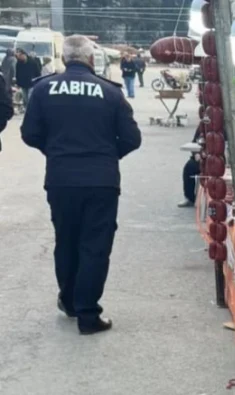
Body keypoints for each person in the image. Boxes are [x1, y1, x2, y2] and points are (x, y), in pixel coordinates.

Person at [21, 35, 142, 335]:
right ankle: (88, 314)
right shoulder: (110, 93)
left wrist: (55, 151)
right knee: (95, 245)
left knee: (67, 240)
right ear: (91, 60)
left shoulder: (42, 89)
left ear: (63, 59)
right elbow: (131, 138)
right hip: (101, 181)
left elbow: (29, 133)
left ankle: (70, 302)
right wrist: (107, 156)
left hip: (61, 179)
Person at [180, 124, 201, 207]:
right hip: (200, 157)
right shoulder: (202, 126)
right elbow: (194, 142)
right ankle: (190, 198)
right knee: (189, 167)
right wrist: (196, 153)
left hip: (217, 157)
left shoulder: (223, 126)